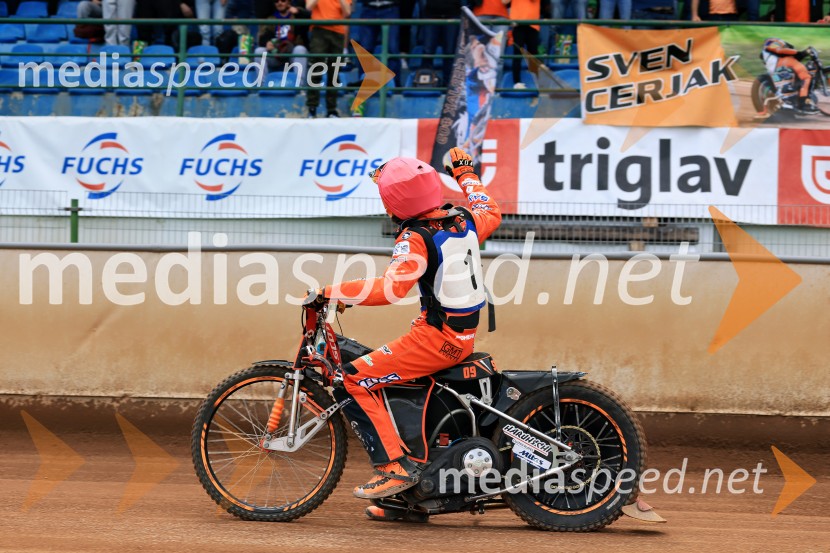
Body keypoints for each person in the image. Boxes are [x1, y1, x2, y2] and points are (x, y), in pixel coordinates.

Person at [308, 148, 501, 504]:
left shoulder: (415, 237)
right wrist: (464, 172)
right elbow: (489, 207)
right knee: (380, 371)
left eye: (386, 198)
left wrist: (330, 293)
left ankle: (394, 469)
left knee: (351, 378)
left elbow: (391, 289)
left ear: (397, 202)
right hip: (455, 336)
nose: (385, 206)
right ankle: (408, 496)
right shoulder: (465, 219)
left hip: (437, 340)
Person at [306, 0, 352, 118]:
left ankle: (331, 109)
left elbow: (347, 12)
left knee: (334, 72)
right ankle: (312, 108)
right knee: (316, 69)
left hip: (338, 32)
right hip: (319, 30)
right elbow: (309, 6)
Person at [761, 37, 819, 113]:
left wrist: (803, 54)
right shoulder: (773, 42)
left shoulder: (774, 55)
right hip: (780, 64)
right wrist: (802, 52)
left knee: (799, 75)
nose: (788, 49)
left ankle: (796, 99)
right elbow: (779, 50)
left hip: (778, 66)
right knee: (806, 77)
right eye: (788, 47)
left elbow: (796, 55)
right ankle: (804, 104)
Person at [255, 0, 311, 74]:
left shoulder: (297, 17)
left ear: (288, 2)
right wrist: (267, 43)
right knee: (259, 51)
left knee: (300, 49)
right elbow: (263, 36)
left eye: (283, 0)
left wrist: (299, 12)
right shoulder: (271, 19)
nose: (280, 3)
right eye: (276, 1)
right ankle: (262, 85)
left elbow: (311, 17)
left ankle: (299, 85)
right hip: (276, 55)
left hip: (293, 54)